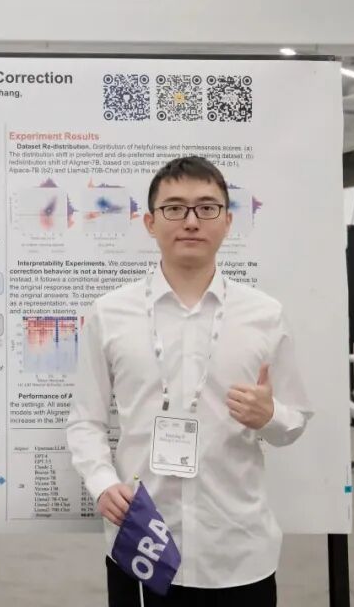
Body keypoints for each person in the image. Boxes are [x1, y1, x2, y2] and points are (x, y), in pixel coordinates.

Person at [65, 156, 312, 606]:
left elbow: (294, 421)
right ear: (150, 222)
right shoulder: (110, 313)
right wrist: (102, 482)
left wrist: (270, 416)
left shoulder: (264, 315)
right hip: (142, 543)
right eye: (175, 208)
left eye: (207, 207)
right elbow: (86, 420)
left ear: (227, 221)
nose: (191, 221)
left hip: (237, 549)